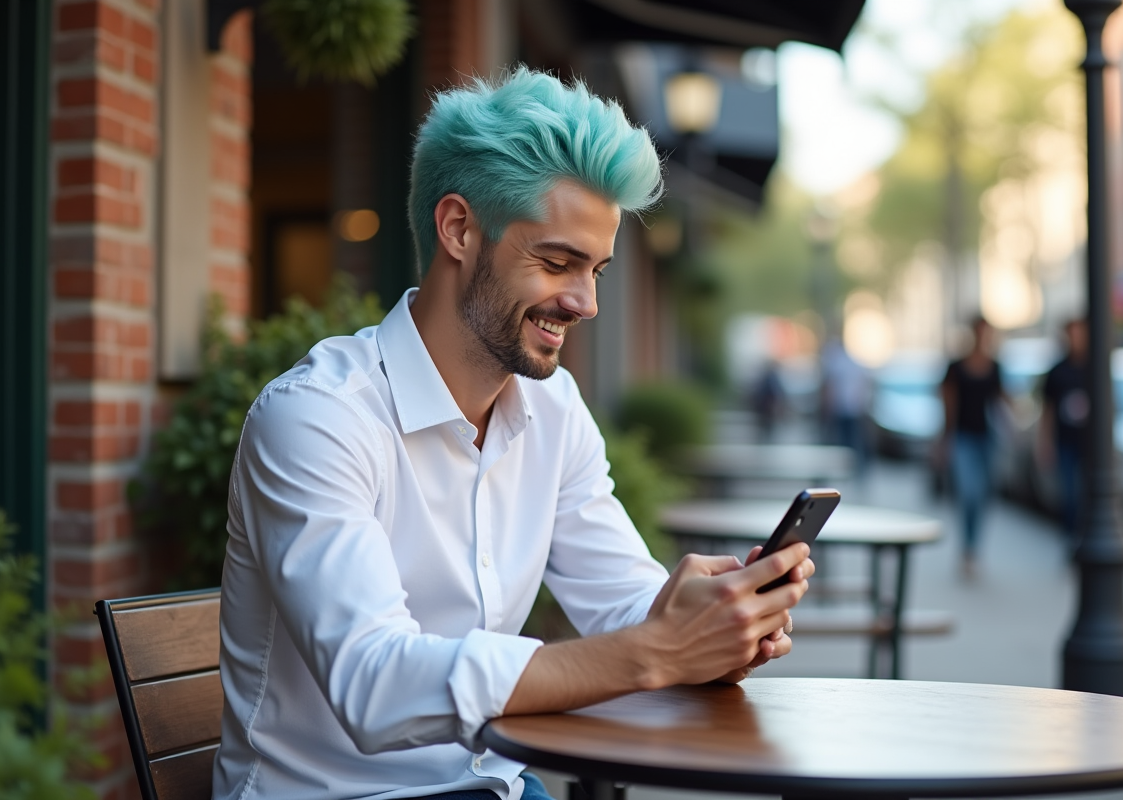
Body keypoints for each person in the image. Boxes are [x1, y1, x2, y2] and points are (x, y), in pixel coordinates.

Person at [213, 69, 815, 800]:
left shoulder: (553, 411)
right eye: (557, 262)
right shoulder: (317, 418)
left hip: (498, 786)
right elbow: (374, 685)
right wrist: (656, 653)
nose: (585, 302)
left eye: (595, 269)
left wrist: (711, 629)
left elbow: (623, 603)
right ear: (460, 229)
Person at [938, 316, 1010, 578]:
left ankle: (974, 548)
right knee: (969, 492)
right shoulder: (956, 367)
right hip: (963, 437)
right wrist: (944, 439)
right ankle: (967, 548)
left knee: (983, 496)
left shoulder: (995, 367)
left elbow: (1003, 401)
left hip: (988, 439)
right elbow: (947, 404)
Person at [1038, 318, 1089, 543]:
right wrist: (1044, 443)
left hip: (1089, 444)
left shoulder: (1094, 368)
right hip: (1065, 442)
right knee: (1069, 495)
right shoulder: (1058, 371)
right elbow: (1047, 411)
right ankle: (1071, 540)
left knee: (1088, 495)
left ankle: (1083, 536)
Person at [819, 336, 871, 470]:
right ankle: (853, 468)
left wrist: (828, 407)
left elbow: (831, 387)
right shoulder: (854, 363)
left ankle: (845, 468)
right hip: (853, 409)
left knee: (841, 443)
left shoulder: (837, 363)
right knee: (852, 443)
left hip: (842, 409)